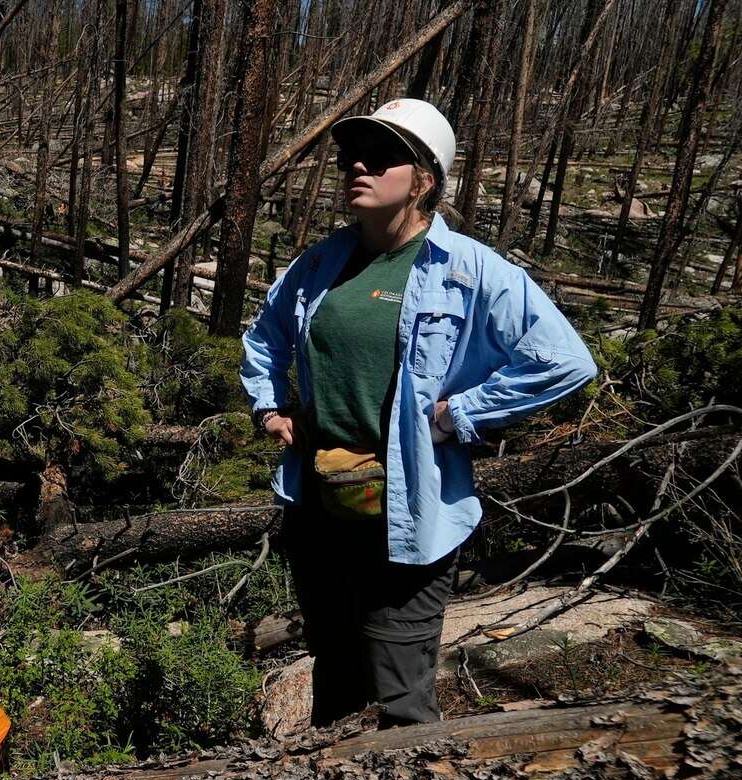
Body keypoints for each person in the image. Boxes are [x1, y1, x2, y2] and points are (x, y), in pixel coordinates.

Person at [240, 98, 597, 728]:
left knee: (402, 693)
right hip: (319, 504)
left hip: (408, 512)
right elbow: (265, 338)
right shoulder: (319, 265)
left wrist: (460, 414)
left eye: (381, 159)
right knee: (336, 674)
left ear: (424, 179)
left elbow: (563, 360)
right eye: (351, 157)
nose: (358, 168)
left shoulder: (468, 270)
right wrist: (269, 408)